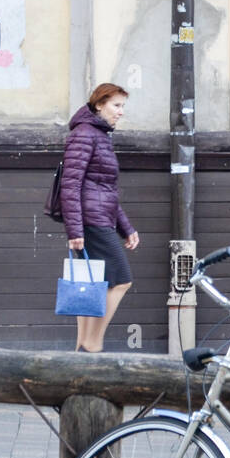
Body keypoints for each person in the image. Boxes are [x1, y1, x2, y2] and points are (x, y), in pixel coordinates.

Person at [60, 83, 140, 352]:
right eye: (116, 106)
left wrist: (126, 227)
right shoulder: (84, 135)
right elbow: (69, 185)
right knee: (120, 280)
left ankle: (82, 348)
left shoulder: (99, 135)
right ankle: (93, 344)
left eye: (122, 106)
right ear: (98, 105)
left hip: (97, 219)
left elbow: (106, 191)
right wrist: (75, 230)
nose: (121, 112)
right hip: (90, 223)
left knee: (90, 283)